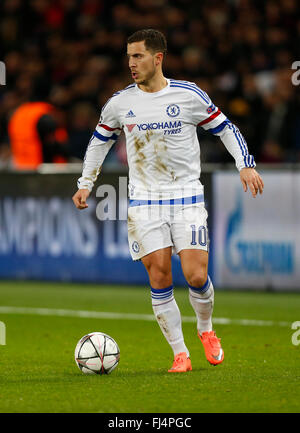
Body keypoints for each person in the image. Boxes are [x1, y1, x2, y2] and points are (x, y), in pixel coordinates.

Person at [72, 29, 264, 373]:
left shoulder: (188, 95)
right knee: (159, 275)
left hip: (186, 197)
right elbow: (99, 141)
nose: (131, 63)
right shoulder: (120, 103)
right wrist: (86, 182)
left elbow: (225, 128)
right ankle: (180, 353)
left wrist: (245, 165)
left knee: (195, 275)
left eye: (138, 56)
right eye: (129, 56)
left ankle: (205, 328)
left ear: (158, 58)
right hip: (144, 202)